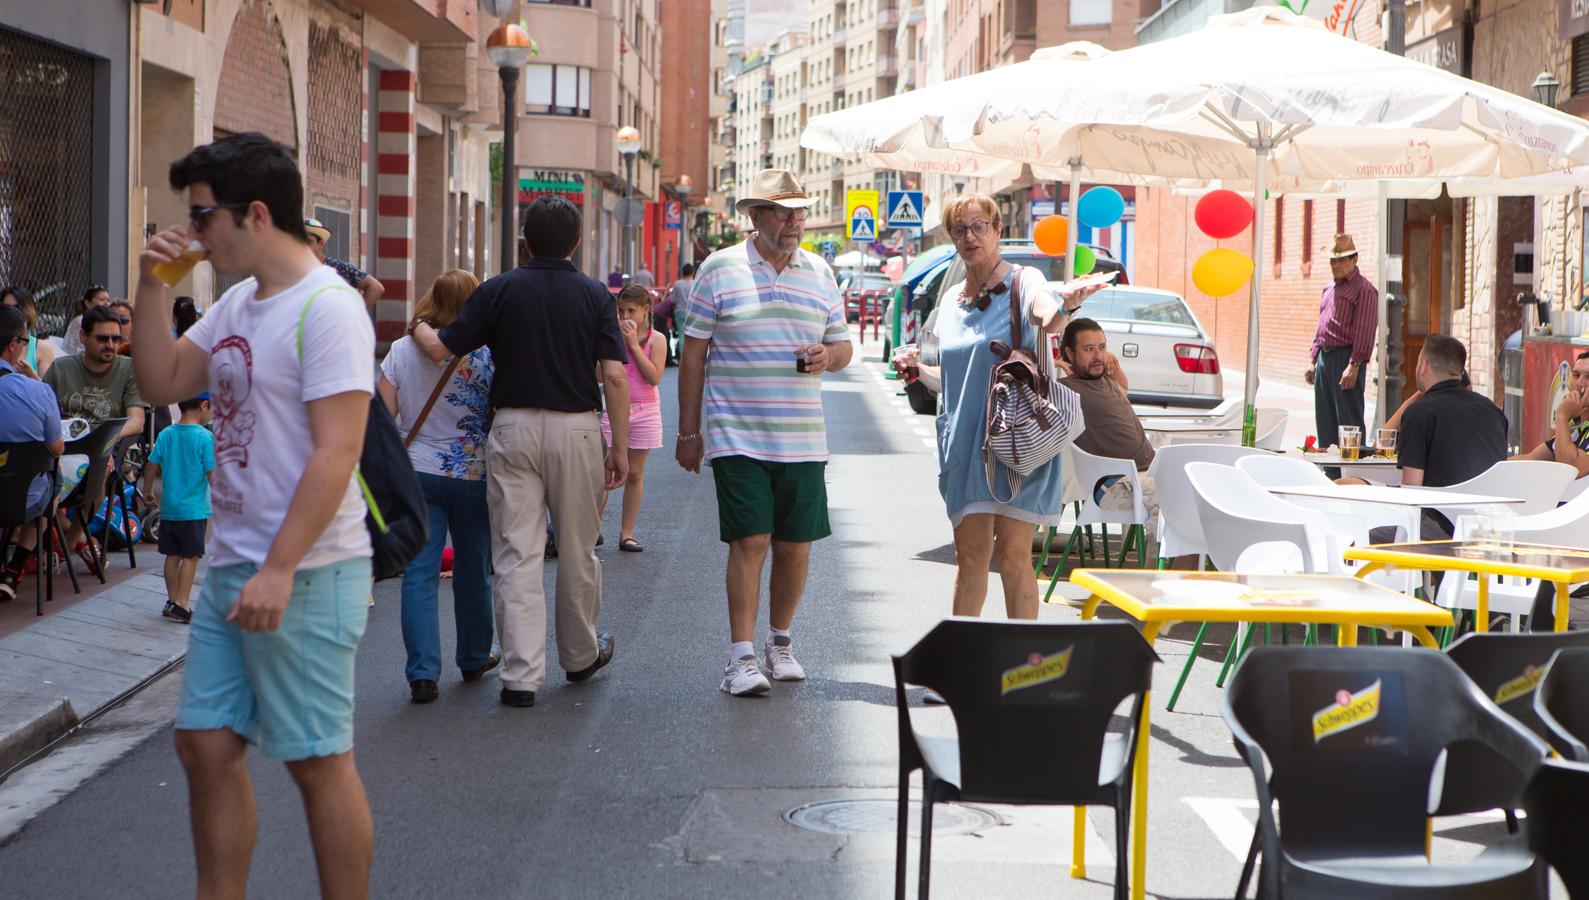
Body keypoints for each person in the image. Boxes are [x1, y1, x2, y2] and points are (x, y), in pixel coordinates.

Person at [133, 132, 378, 898]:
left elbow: (337, 453)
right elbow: (162, 378)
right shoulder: (240, 301)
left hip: (305, 571)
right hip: (234, 564)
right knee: (204, 746)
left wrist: (278, 569)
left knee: (315, 760)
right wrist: (150, 285)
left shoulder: (330, 309)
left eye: (204, 218)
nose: (195, 235)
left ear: (257, 215)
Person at [412, 194, 627, 709]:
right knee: (578, 548)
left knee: (516, 553)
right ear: (576, 242)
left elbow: (443, 348)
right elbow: (615, 375)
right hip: (576, 430)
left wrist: (417, 324)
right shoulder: (595, 295)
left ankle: (520, 675)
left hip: (512, 428)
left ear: (525, 239)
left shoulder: (499, 290)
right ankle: (579, 656)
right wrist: (617, 446)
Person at [676, 168, 854, 698]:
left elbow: (843, 347)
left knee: (796, 545)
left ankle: (780, 642)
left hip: (803, 437)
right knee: (751, 539)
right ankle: (741, 656)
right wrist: (689, 431)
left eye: (799, 212)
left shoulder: (820, 273)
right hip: (738, 433)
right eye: (783, 212)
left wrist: (829, 355)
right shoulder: (719, 269)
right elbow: (693, 353)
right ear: (755, 216)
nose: (794, 221)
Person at [897, 193, 1102, 626]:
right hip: (964, 445)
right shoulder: (951, 301)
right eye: (960, 229)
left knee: (1013, 557)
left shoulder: (1024, 281)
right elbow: (953, 382)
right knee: (970, 558)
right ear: (952, 237)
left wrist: (1066, 305)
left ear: (997, 231)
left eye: (979, 227)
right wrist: (919, 371)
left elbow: (1046, 316)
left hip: (1016, 442)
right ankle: (960, 665)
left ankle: (1021, 667)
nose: (970, 236)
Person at [377, 269, 499, 705]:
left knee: (420, 574)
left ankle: (422, 673)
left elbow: (384, 417)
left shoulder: (400, 351)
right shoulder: (487, 353)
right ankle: (473, 656)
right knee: (473, 569)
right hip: (473, 474)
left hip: (416, 474)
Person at [1370, 334, 1507, 542]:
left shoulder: (1420, 414)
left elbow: (1411, 493)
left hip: (1441, 531)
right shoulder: (1494, 413)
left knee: (1359, 539)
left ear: (1424, 366)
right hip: (1488, 530)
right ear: (1460, 372)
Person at [1059, 317, 1158, 533]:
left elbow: (1123, 388)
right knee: (1177, 496)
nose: (1098, 356)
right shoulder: (1063, 390)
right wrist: (1050, 363)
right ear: (1069, 353)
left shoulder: (1106, 382)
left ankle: (1172, 564)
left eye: (1102, 347)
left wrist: (1113, 365)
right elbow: (1032, 387)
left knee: (1195, 490)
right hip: (1108, 486)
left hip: (1145, 476)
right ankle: (1157, 566)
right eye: (1088, 349)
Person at [0, 304, 64, 603]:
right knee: (53, 476)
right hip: (22, 502)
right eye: (24, 341)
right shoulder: (38, 392)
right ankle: (14, 568)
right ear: (13, 345)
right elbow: (57, 447)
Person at [600, 284, 667, 552]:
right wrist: (611, 342)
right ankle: (594, 528)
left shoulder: (657, 339)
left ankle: (626, 533)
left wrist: (633, 346)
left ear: (645, 311)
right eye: (620, 311)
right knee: (602, 471)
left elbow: (654, 377)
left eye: (630, 310)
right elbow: (598, 374)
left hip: (645, 409)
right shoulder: (611, 335)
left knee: (635, 474)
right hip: (615, 408)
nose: (624, 316)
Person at [1305, 234, 1378, 449]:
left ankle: (1351, 472)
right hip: (1325, 358)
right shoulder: (1329, 289)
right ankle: (1331, 473)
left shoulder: (1364, 289)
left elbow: (1365, 330)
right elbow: (1322, 327)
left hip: (1346, 359)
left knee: (1349, 422)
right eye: (1332, 260)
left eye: (1341, 260)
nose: (1335, 265)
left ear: (1354, 259)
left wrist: (1354, 365)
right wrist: (1313, 359)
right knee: (1325, 419)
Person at [147, 395, 214, 624]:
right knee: (191, 557)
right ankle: (183, 603)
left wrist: (147, 491)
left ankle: (172, 601)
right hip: (194, 511)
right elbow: (212, 473)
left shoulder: (166, 434)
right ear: (204, 406)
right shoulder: (205, 438)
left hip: (170, 509)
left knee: (172, 555)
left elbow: (151, 463)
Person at [44, 306, 148, 444]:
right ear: (82, 336)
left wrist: (105, 442)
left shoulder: (131, 369)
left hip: (110, 452)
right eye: (102, 338)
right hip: (65, 448)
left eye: (116, 339)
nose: (110, 345)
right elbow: (41, 414)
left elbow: (136, 421)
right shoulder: (60, 368)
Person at [1514, 349, 1589, 478]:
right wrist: (1488, 463)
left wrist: (1562, 417)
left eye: (1588, 377)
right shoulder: (1575, 425)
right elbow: (1530, 460)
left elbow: (1571, 471)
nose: (1579, 384)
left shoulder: (1565, 418)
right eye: (1576, 375)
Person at [304, 217, 385, 310]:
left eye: (308, 241)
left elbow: (376, 288)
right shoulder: (292, 269)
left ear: (321, 244)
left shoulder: (337, 267)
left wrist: (355, 314)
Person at [1, 285, 56, 378]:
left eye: (17, 308)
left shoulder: (42, 349)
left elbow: (49, 391)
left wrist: (31, 376)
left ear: (29, 310)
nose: (12, 313)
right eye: (7, 308)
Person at [656, 262, 695, 365]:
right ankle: (692, 356)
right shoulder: (695, 283)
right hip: (691, 312)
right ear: (692, 272)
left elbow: (673, 300)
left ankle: (683, 358)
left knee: (682, 334)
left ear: (682, 272)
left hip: (679, 311)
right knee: (692, 334)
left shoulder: (678, 284)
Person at [61, 284, 112, 357]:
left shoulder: (106, 321)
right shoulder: (80, 321)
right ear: (88, 303)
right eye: (101, 300)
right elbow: (75, 350)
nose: (107, 304)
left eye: (108, 300)